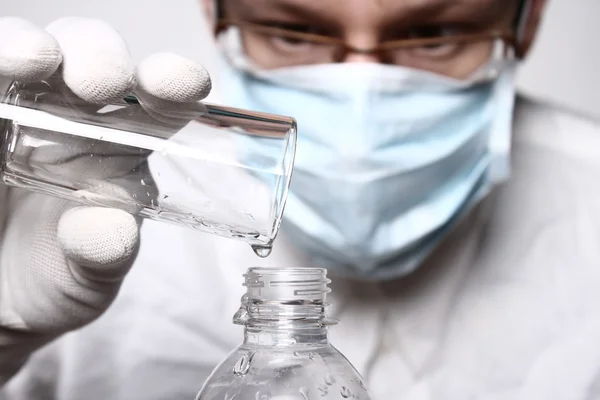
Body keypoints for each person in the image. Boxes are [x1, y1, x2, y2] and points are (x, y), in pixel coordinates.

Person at [2, 0, 600, 398]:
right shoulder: (94, 181)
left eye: (435, 35)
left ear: (527, 22)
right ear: (216, 10)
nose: (363, 94)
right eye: (293, 31)